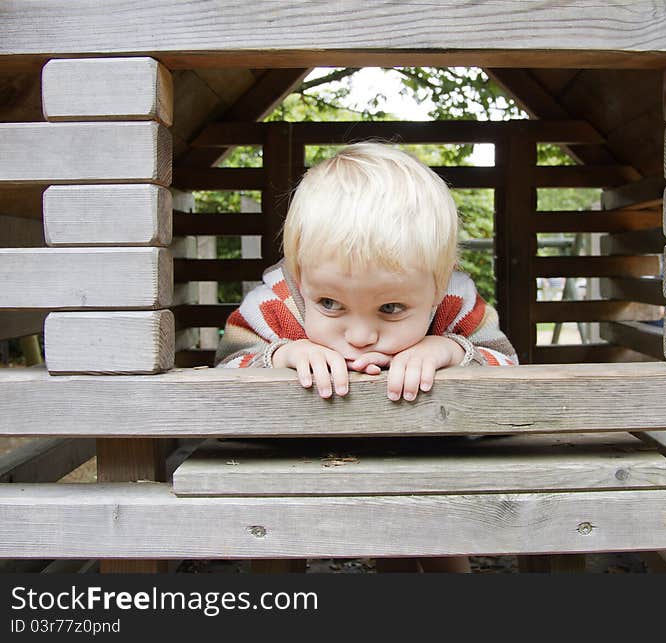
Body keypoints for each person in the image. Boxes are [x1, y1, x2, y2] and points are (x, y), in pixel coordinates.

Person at [214, 142, 518, 572]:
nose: (359, 336)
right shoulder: (275, 306)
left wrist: (451, 349)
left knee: (435, 532)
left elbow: (508, 367)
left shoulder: (453, 303)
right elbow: (224, 374)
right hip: (300, 459)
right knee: (274, 532)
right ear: (300, 274)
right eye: (330, 304)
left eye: (391, 309)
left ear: (437, 285)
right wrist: (283, 354)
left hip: (423, 455)